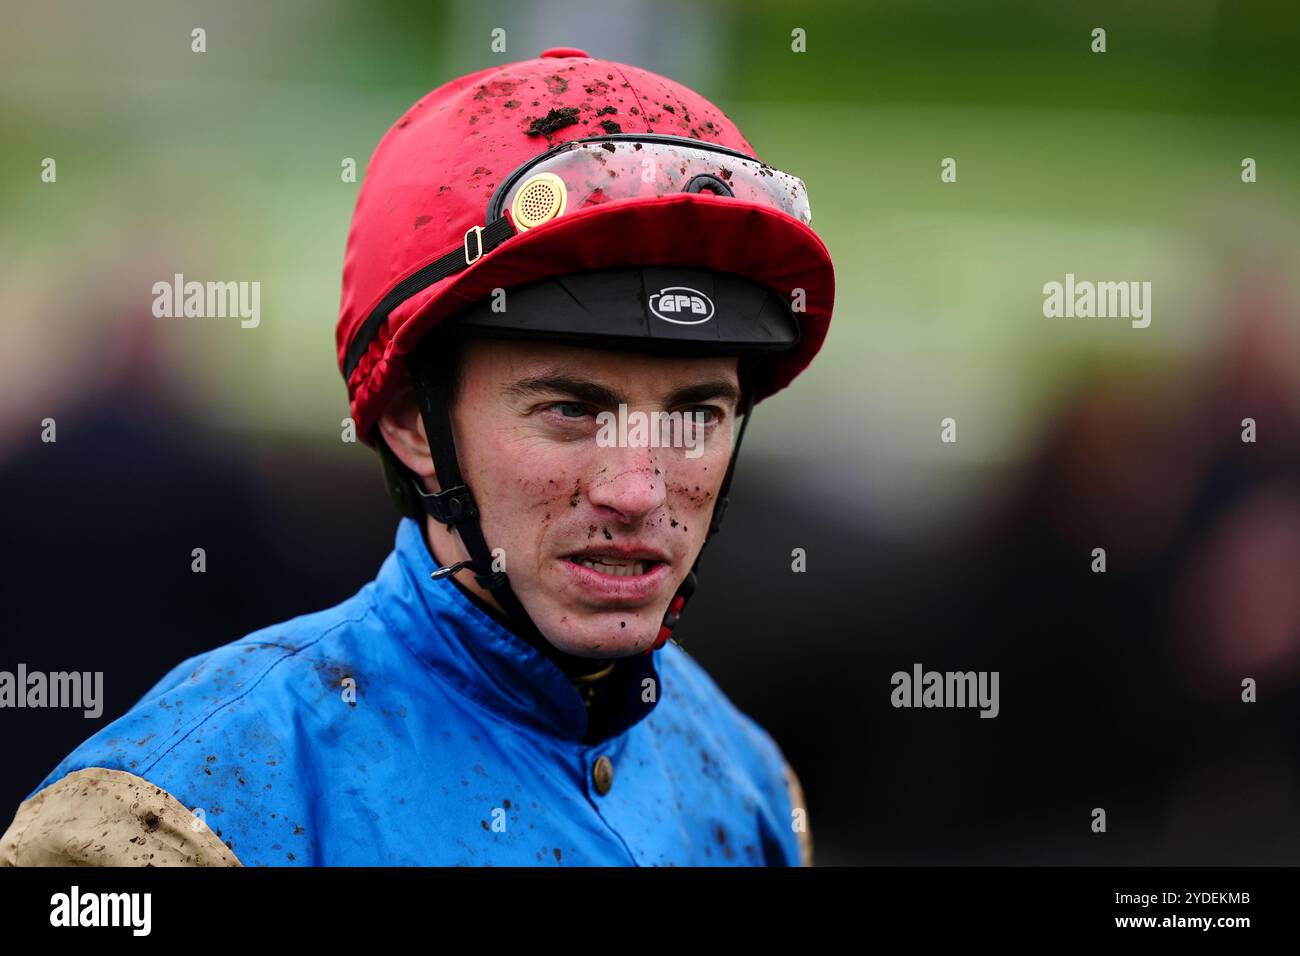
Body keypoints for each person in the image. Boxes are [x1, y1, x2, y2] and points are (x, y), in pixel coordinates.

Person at [2, 47, 834, 866]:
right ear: (410, 424)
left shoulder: (743, 778)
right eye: (571, 410)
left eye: (696, 416)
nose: (636, 489)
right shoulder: (175, 808)